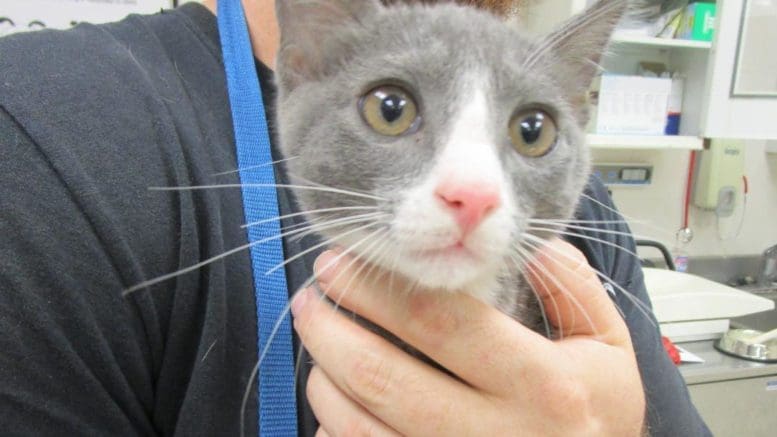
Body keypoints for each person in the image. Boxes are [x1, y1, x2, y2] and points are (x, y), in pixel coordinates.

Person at [0, 0, 710, 435]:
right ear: (305, 59)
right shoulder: (36, 135)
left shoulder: (581, 223)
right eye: (390, 108)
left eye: (529, 129)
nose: (475, 190)